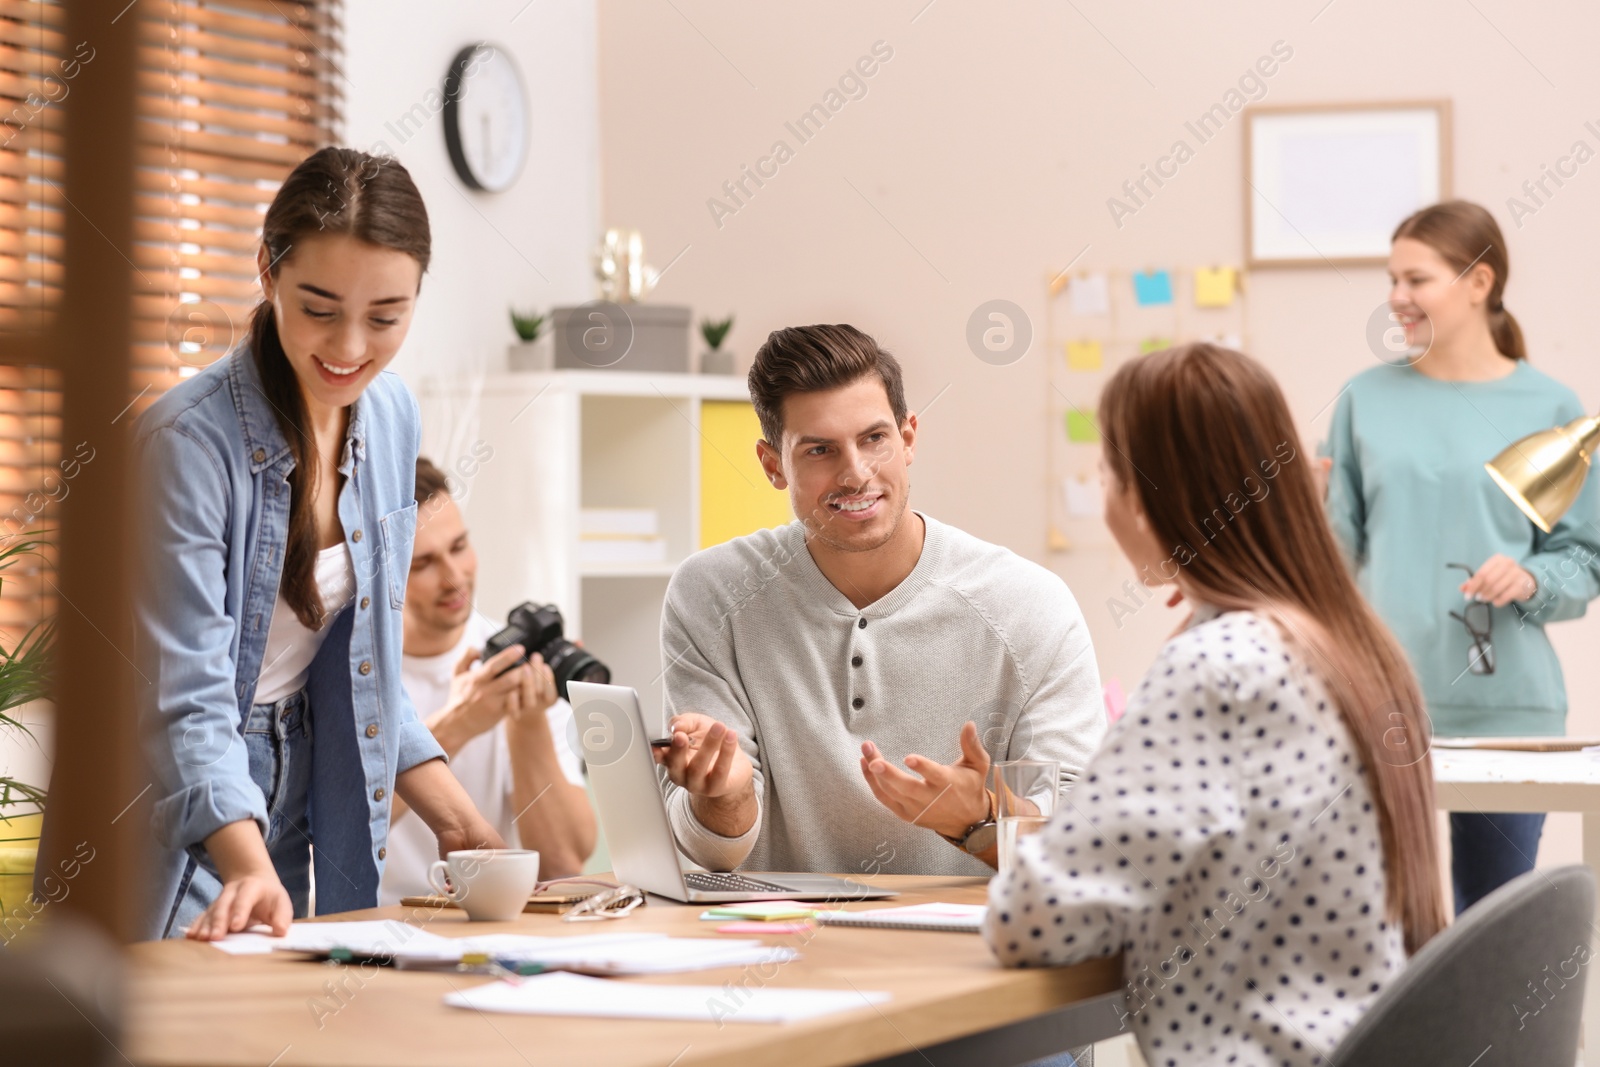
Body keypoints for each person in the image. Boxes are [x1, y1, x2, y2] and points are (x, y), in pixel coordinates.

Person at [987, 343, 1447, 1067]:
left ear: (1145, 496)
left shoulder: (1221, 669)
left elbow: (1030, 922)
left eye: (1106, 471)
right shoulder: (1357, 650)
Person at [136, 148, 503, 942]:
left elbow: (362, 662)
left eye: (385, 316)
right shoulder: (185, 445)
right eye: (320, 306)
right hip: (181, 804)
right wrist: (247, 862)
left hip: (317, 776)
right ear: (267, 270)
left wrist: (462, 823)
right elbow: (184, 698)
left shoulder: (392, 414)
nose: (349, 346)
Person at [652, 324, 1104, 876]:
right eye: (819, 450)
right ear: (773, 465)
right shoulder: (711, 594)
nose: (856, 473)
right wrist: (725, 796)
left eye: (874, 439)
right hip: (779, 946)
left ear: (908, 438)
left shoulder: (1027, 605)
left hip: (968, 955)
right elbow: (713, 855)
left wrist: (981, 819)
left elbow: (1077, 845)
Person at [1324, 200, 1600, 914]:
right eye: (1392, 279)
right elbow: (1330, 557)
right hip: (1384, 706)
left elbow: (1584, 560)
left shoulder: (1551, 405)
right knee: (1379, 930)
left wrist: (1532, 576)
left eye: (1417, 279)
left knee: (1492, 928)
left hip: (1509, 715)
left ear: (1480, 282)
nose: (1397, 297)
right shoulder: (1365, 399)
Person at [378, 457, 595, 904]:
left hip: (492, 925)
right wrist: (455, 726)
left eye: (458, 547)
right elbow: (325, 842)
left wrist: (528, 723)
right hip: (375, 927)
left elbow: (564, 866)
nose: (454, 577)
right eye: (422, 565)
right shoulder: (354, 674)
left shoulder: (513, 661)